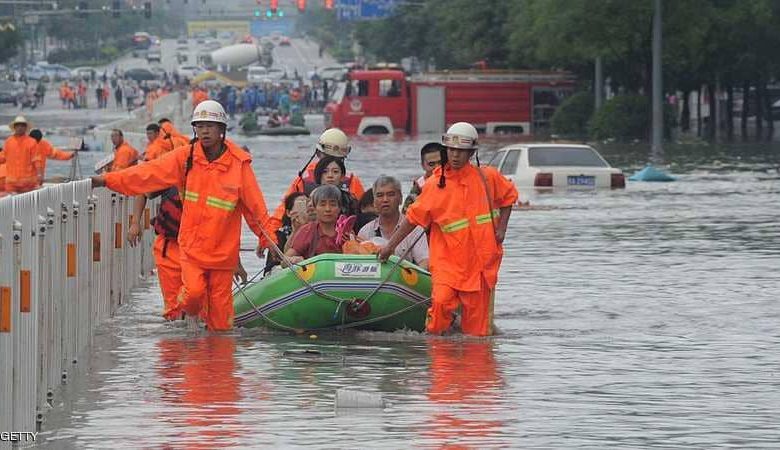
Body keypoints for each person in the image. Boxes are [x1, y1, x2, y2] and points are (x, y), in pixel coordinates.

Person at [92, 100, 277, 331]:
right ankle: (183, 318)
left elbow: (256, 209)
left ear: (222, 130)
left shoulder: (239, 165)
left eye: (210, 125)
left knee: (221, 325)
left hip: (222, 255)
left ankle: (216, 363)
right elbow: (147, 173)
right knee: (193, 296)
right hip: (193, 250)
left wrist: (267, 239)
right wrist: (107, 180)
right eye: (200, 126)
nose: (205, 131)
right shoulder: (185, 158)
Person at [378, 122, 518, 337]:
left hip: (480, 266)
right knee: (440, 307)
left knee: (477, 334)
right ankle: (440, 364)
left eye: (460, 151)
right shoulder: (435, 185)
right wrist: (390, 246)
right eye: (451, 150)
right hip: (448, 265)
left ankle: (474, 369)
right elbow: (412, 219)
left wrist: (502, 230)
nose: (455, 156)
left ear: (471, 153)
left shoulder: (487, 177)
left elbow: (508, 197)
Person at [265, 128, 365, 236]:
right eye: (327, 159)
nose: (330, 167)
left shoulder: (352, 182)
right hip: (308, 236)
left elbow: (363, 215)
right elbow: (283, 212)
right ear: (318, 155)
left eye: (337, 160)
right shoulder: (303, 181)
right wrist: (270, 238)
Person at [359, 176, 428, 269]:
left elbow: (424, 262)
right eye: (380, 195)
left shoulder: (415, 229)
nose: (385, 200)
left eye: (390, 194)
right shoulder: (365, 231)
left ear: (400, 199)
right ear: (374, 202)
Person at [284, 185, 343, 265]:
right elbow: (285, 260)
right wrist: (295, 260)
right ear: (315, 208)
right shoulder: (307, 231)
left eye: (333, 205)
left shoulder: (346, 230)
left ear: (339, 208)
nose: (328, 209)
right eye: (322, 205)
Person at [263, 191, 312, 275]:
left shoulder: (315, 229)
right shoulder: (280, 234)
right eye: (300, 205)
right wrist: (296, 231)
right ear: (289, 213)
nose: (303, 209)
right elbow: (272, 266)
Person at [0, 116, 41, 193]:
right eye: (18, 125)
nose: (20, 127)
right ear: (14, 127)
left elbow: (36, 159)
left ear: (26, 128)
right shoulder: (8, 142)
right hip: (11, 183)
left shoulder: (32, 142)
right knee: (11, 204)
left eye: (22, 125)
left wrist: (39, 174)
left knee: (27, 203)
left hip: (28, 183)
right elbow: (2, 157)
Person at [403, 142, 444, 213]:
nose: (437, 168)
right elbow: (406, 213)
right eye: (431, 164)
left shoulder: (458, 181)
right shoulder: (418, 187)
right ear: (423, 165)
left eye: (441, 163)